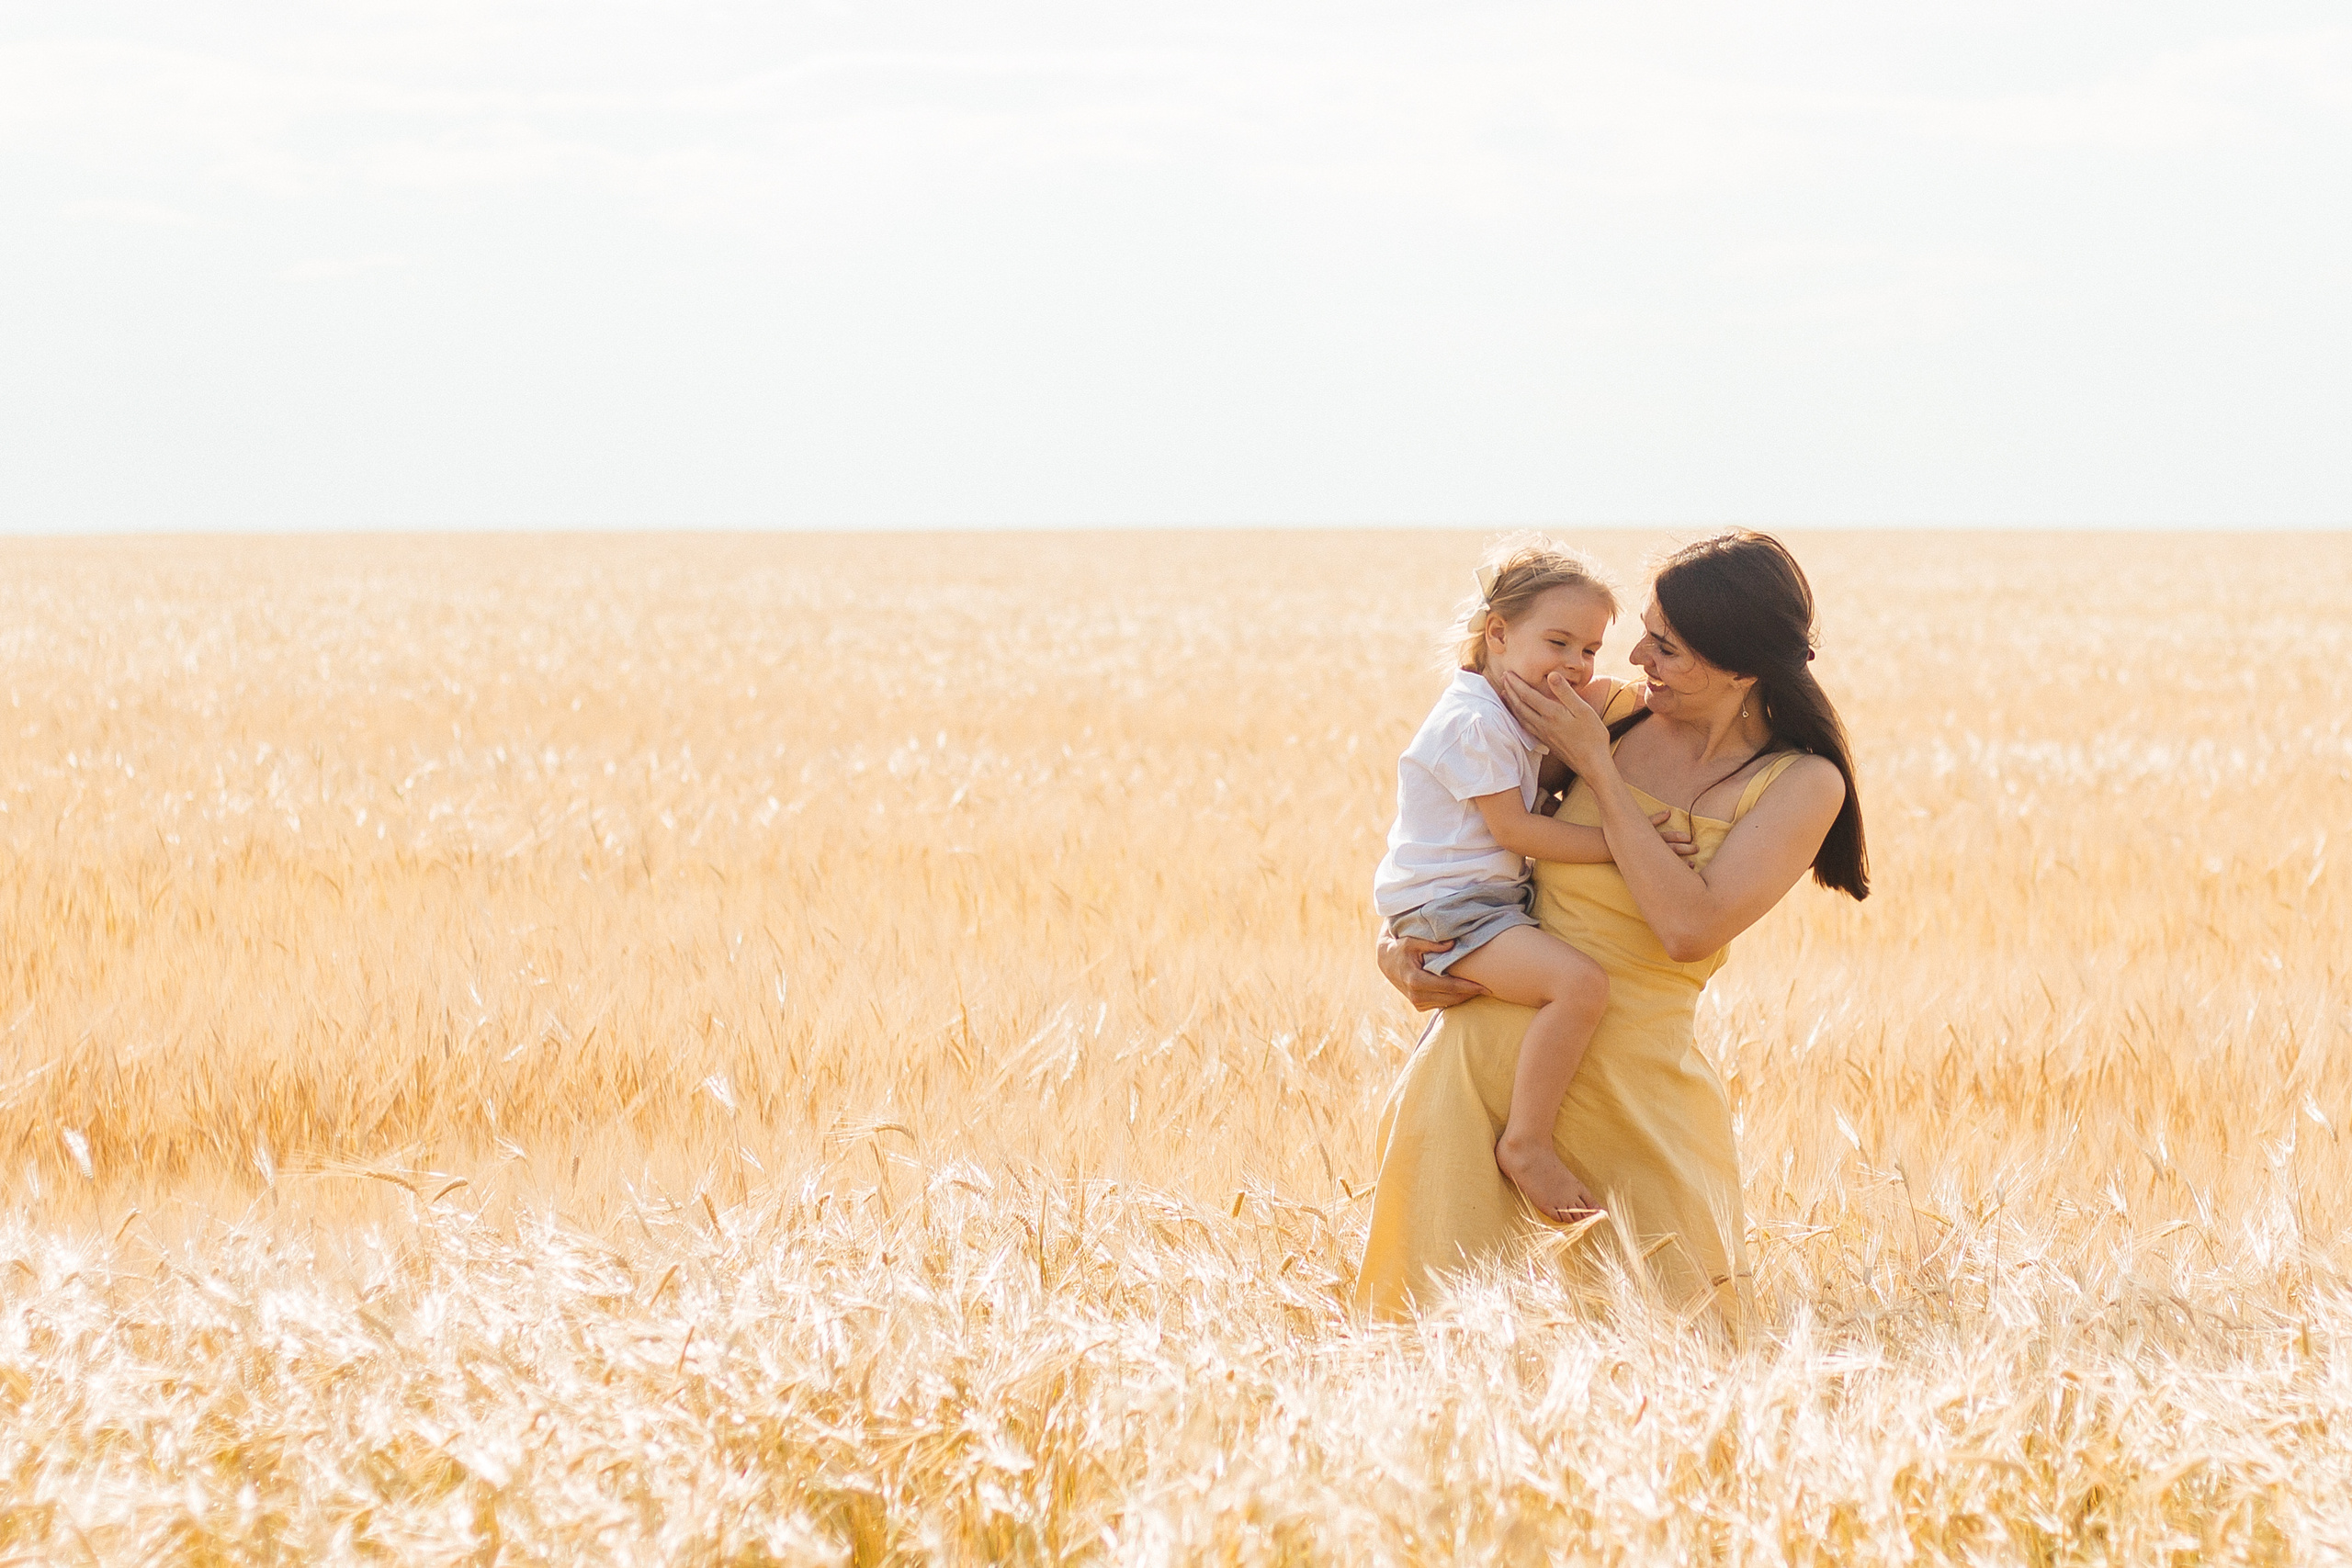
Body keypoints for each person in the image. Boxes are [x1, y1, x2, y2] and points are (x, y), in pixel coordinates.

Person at [1354, 530, 1869, 1323]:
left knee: (1694, 1357)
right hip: (1472, 1084)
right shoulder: (1605, 715)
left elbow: (1687, 927)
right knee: (1432, 1359)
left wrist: (1599, 769)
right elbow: (1460, 828)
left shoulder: (1800, 784)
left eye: (1664, 645)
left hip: (1641, 1106)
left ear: (1738, 665)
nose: (1633, 659)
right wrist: (1398, 947)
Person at [1373, 537, 1697, 1224]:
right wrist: (1627, 843)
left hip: (1475, 902)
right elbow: (1518, 831)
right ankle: (1526, 1142)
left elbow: (1545, 788)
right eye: (1559, 642)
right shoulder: (1472, 723)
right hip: (1456, 909)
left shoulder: (1501, 710)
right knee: (1579, 984)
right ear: (1497, 632)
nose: (1577, 665)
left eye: (1589, 650)